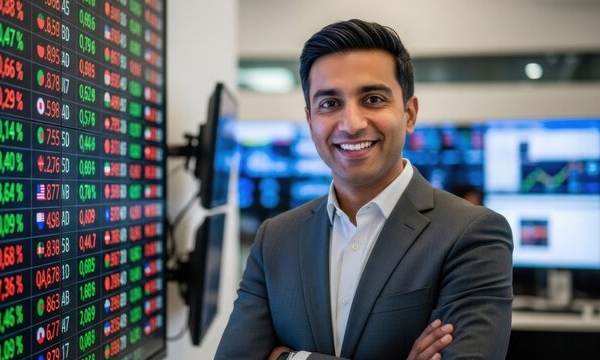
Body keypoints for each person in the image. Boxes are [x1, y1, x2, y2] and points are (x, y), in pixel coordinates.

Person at [216, 19, 513, 360]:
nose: (352, 124)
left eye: (372, 99)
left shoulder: (472, 234)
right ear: (310, 118)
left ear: (410, 113)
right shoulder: (276, 238)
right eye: (330, 104)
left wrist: (288, 357)